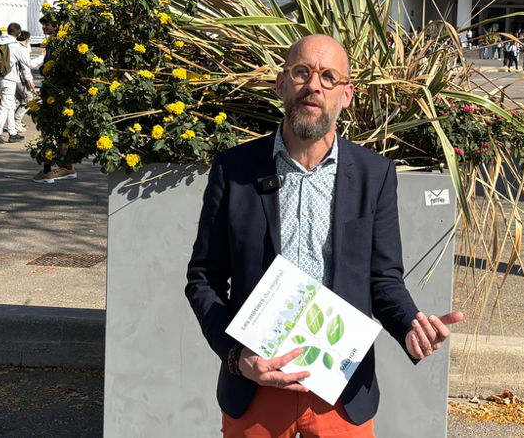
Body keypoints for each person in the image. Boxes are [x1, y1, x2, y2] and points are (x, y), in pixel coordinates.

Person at [186, 35, 462, 436]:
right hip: (257, 383)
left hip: (342, 391)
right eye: (302, 72)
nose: (314, 85)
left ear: (346, 94)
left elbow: (383, 280)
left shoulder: (374, 175)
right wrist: (236, 356)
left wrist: (410, 326)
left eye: (328, 77)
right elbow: (204, 280)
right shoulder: (235, 169)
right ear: (281, 84)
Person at [33, 17, 76, 182]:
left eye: (47, 25)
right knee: (62, 131)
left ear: (57, 26)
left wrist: (43, 69)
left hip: (54, 92)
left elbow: (49, 66)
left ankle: (48, 170)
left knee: (49, 130)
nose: (44, 27)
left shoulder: (56, 43)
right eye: (43, 24)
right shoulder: (62, 41)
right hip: (61, 91)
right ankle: (67, 166)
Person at [0, 23, 29, 143]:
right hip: (9, 78)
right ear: (19, 34)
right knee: (5, 107)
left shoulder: (1, 42)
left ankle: (12, 132)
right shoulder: (16, 46)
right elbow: (29, 63)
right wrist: (41, 58)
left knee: (10, 106)